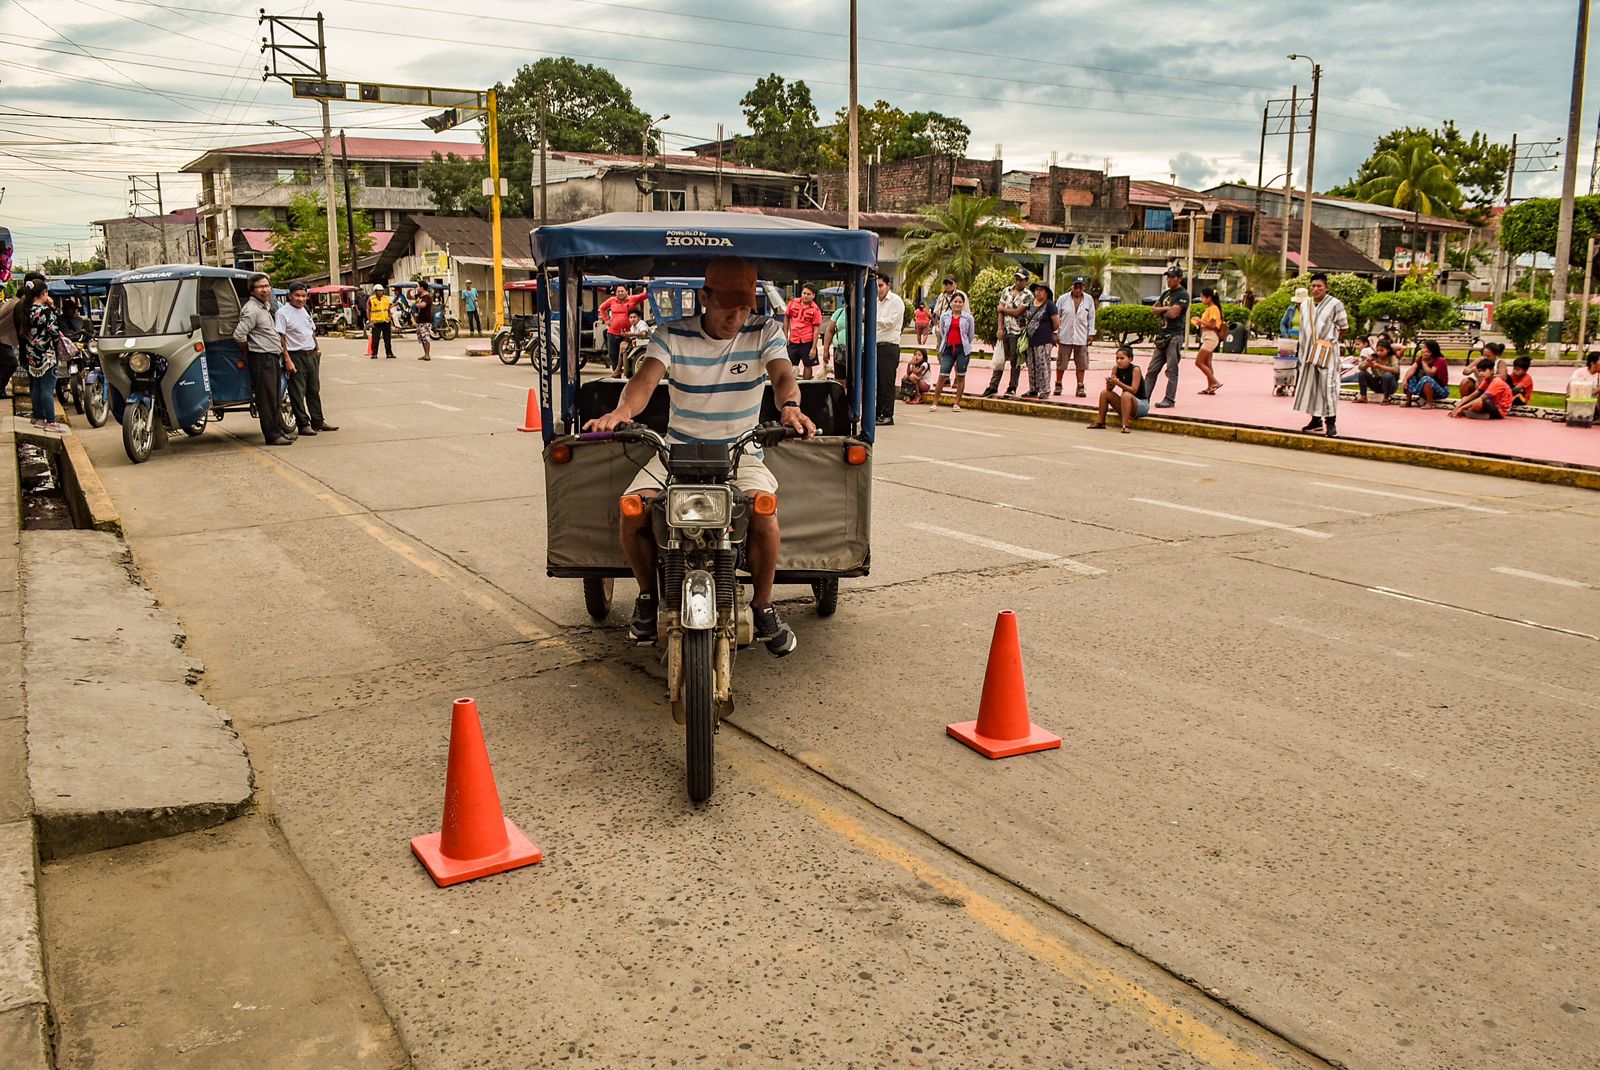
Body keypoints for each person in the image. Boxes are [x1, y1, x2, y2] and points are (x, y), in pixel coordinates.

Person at [583, 257, 814, 658]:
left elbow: (781, 376)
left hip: (740, 453)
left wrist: (790, 406)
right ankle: (647, 596)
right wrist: (622, 413)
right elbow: (645, 380)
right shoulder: (671, 333)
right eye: (728, 308)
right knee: (632, 509)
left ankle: (763, 605)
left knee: (765, 514)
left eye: (744, 308)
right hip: (677, 451)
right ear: (704, 298)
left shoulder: (765, 331)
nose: (736, 318)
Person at [232, 273, 296, 446]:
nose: (265, 290)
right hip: (261, 358)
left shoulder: (264, 307)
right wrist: (250, 351)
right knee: (266, 399)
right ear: (252, 291)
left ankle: (278, 430)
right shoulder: (251, 309)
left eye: (267, 286)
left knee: (275, 397)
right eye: (260, 287)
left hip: (272, 358)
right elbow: (239, 334)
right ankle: (272, 435)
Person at [276, 282, 338, 436]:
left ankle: (318, 421)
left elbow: (311, 332)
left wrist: (317, 349)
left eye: (303, 296)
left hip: (311, 353)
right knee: (298, 391)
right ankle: (303, 424)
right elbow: (281, 337)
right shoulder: (283, 313)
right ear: (290, 296)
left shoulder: (305, 310)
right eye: (297, 295)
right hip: (295, 354)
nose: (301, 299)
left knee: (313, 389)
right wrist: (287, 359)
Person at [1293, 273, 1349, 437]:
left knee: (1328, 385)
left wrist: (1332, 343)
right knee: (1312, 384)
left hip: (1327, 352)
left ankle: (1330, 422)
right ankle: (1315, 419)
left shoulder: (1335, 304)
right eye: (1313, 286)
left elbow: (1343, 327)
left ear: (1326, 287)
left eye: (1319, 286)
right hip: (1308, 351)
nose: (1316, 289)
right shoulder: (1305, 305)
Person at [14, 276, 70, 431]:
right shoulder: (44, 311)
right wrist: (52, 308)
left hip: (32, 355)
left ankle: (39, 418)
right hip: (47, 356)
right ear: (44, 293)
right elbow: (54, 331)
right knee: (47, 390)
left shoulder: (26, 310)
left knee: (36, 388)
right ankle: (51, 422)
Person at [1146, 267, 1190, 408]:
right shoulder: (1165, 293)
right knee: (1152, 370)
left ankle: (1169, 399)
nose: (1169, 280)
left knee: (1172, 370)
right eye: (1168, 277)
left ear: (1179, 278)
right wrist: (1166, 309)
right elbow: (1153, 310)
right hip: (1162, 336)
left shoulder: (1183, 295)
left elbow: (1174, 314)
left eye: (1172, 277)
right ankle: (1144, 397)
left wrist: (1163, 311)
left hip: (1174, 336)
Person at [984, 268, 1030, 397]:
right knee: (1000, 359)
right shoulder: (1007, 291)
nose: (1018, 282)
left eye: (1021, 279)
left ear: (1026, 280)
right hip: (1005, 329)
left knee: (1015, 361)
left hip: (1018, 332)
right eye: (1017, 279)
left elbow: (1017, 312)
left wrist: (1003, 309)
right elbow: (1000, 311)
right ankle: (993, 386)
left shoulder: (1028, 295)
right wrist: (1000, 328)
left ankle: (1012, 387)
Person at [929, 292, 975, 411]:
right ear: (952, 303)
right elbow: (943, 332)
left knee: (960, 376)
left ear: (963, 304)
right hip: (948, 348)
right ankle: (935, 403)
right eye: (955, 301)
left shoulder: (968, 318)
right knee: (942, 375)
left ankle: (956, 403)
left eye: (960, 302)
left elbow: (970, 335)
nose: (958, 304)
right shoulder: (945, 316)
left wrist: (965, 345)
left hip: (962, 349)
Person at [1087, 345, 1146, 433]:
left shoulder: (1135, 370)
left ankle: (1125, 425)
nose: (1119, 361)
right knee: (1104, 393)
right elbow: (1109, 389)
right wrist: (1109, 383)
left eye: (1122, 358)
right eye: (1117, 358)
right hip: (1126, 403)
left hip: (1140, 405)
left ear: (1130, 359)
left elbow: (1134, 390)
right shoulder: (1116, 368)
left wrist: (1118, 383)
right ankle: (1101, 422)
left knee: (1125, 394)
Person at [1053, 276, 1095, 397]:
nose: (1077, 289)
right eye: (1075, 287)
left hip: (1081, 337)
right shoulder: (1062, 299)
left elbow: (1091, 318)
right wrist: (1055, 333)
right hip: (1065, 335)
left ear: (1084, 288)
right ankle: (1058, 384)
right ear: (1072, 286)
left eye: (1080, 287)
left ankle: (1080, 386)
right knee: (1061, 363)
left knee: (1081, 364)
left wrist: (1091, 333)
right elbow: (1057, 316)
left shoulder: (1089, 300)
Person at [874, 274, 906, 425]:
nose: (878, 289)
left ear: (888, 285)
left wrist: (871, 319)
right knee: (876, 383)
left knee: (886, 382)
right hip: (875, 346)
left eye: (880, 285)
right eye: (876, 286)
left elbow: (890, 323)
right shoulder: (875, 302)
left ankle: (887, 415)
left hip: (889, 346)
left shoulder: (896, 301)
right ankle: (877, 412)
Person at [599, 284, 648, 377]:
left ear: (627, 292)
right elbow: (602, 308)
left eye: (622, 291)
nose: (620, 293)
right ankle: (616, 374)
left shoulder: (633, 299)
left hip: (627, 334)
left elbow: (645, 295)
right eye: (618, 291)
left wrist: (650, 286)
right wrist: (606, 320)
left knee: (625, 353)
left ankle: (625, 372)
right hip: (612, 333)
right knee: (613, 355)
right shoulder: (611, 300)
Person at [1020, 282, 1058, 399]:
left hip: (1044, 340)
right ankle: (1033, 389)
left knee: (1043, 365)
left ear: (1046, 292)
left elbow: (1056, 323)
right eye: (1037, 290)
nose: (1038, 292)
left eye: (1041, 290)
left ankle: (1045, 389)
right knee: (1032, 365)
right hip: (1031, 340)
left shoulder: (1050, 305)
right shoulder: (1031, 304)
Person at [783, 283, 824, 380]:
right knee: (789, 366)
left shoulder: (815, 309)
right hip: (793, 340)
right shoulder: (793, 303)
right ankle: (789, 388)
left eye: (808, 294)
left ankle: (806, 389)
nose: (805, 296)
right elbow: (786, 318)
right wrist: (785, 336)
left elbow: (816, 329)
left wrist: (813, 348)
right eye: (804, 293)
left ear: (813, 295)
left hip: (807, 342)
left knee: (808, 366)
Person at [1190, 287, 1225, 394]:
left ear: (1209, 298)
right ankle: (1211, 387)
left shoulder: (1213, 309)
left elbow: (1213, 325)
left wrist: (1199, 320)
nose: (1201, 299)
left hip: (1210, 337)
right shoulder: (1210, 309)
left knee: (1199, 362)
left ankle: (1214, 382)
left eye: (1202, 297)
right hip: (1207, 336)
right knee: (1207, 363)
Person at [1404, 339, 1451, 408]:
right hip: (1422, 388)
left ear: (1431, 350)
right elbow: (1412, 369)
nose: (1422, 350)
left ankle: (1429, 403)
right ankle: (1408, 401)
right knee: (1410, 376)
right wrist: (1405, 380)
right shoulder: (1421, 358)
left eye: (1424, 348)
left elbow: (1431, 373)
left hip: (1441, 390)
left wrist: (1424, 362)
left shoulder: (1440, 360)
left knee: (1426, 379)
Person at [1356, 337, 1402, 403]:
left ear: (1388, 350)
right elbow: (1360, 367)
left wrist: (1379, 366)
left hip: (1390, 385)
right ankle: (1363, 396)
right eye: (1377, 350)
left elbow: (1396, 370)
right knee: (1362, 373)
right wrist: (1367, 364)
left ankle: (1386, 398)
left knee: (1387, 375)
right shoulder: (1374, 357)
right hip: (1377, 383)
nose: (1379, 353)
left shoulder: (1392, 357)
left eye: (1382, 350)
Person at [367, 283, 395, 359]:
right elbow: (368, 310)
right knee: (375, 339)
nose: (380, 292)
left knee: (387, 339)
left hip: (386, 321)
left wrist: (390, 318)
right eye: (378, 291)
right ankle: (374, 353)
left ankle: (389, 353)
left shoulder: (386, 298)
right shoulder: (371, 299)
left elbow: (388, 309)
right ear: (375, 292)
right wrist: (370, 321)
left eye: (381, 291)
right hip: (376, 322)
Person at [414, 284, 435, 361]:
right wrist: (409, 291)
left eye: (418, 287)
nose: (417, 288)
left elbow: (423, 305)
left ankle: (427, 355)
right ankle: (425, 354)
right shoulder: (419, 296)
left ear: (422, 288)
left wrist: (415, 305)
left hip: (425, 320)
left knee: (425, 337)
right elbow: (410, 297)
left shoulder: (427, 297)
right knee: (422, 338)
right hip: (419, 320)